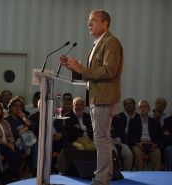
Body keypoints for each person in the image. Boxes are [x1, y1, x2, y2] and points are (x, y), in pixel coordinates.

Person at [59, 10, 123, 185]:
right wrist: (75, 70)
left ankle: (100, 181)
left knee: (101, 140)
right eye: (89, 21)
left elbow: (109, 71)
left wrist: (82, 70)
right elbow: (91, 74)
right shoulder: (96, 44)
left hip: (105, 97)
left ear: (105, 24)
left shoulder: (111, 42)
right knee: (102, 140)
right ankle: (105, 178)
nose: (89, 23)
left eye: (93, 20)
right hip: (96, 97)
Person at [5, 97, 38, 175]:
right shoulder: (7, 119)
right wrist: (27, 127)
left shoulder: (23, 117)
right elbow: (15, 133)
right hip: (14, 141)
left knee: (38, 143)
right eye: (16, 105)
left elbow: (33, 127)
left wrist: (23, 118)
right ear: (10, 107)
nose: (18, 108)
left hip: (25, 141)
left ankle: (35, 169)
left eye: (20, 106)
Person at [128, 100, 162, 171]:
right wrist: (137, 144)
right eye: (141, 107)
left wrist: (156, 144)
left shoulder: (155, 122)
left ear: (149, 108)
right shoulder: (133, 121)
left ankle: (157, 177)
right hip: (139, 144)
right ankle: (140, 176)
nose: (143, 109)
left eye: (145, 106)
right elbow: (130, 137)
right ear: (138, 110)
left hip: (152, 144)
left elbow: (159, 136)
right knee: (137, 152)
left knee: (157, 153)